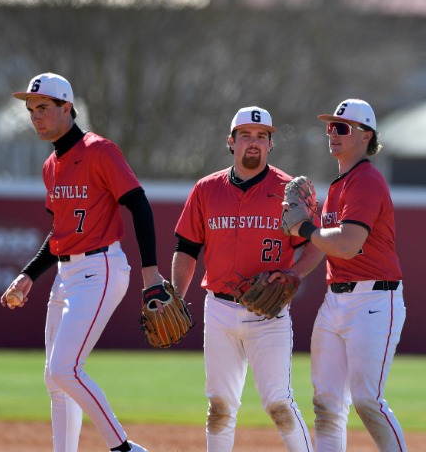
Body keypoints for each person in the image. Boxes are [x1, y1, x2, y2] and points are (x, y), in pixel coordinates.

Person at [0, 72, 157, 452]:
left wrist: (150, 271)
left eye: (43, 107)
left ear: (66, 107)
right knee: (55, 380)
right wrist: (28, 275)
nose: (35, 116)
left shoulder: (99, 150)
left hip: (100, 268)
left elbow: (138, 203)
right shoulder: (51, 166)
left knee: (64, 368)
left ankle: (124, 448)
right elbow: (60, 232)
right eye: (31, 110)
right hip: (66, 272)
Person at [171, 106, 323, 452]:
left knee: (279, 404)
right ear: (231, 142)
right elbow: (187, 247)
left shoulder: (289, 192)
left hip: (269, 314)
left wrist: (294, 273)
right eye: (245, 136)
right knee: (219, 407)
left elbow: (316, 244)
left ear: (270, 144)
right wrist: (178, 295)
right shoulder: (206, 189)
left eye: (261, 136)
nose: (253, 142)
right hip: (219, 310)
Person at [286, 99, 407, 452]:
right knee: (326, 403)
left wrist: (304, 228)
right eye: (330, 127)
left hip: (373, 299)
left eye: (341, 127)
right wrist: (294, 273)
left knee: (367, 399)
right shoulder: (339, 185)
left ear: (366, 135)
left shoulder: (366, 181)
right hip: (335, 300)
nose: (332, 133)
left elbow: (347, 244)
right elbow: (323, 246)